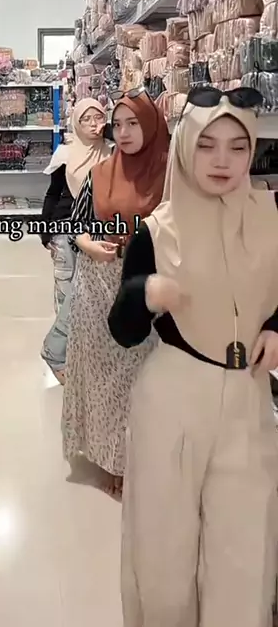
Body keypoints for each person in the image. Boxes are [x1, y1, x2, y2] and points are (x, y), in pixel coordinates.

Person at [108, 87, 278, 627]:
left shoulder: (271, 219)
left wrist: (276, 327)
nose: (222, 160)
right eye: (206, 145)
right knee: (164, 550)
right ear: (184, 147)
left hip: (248, 397)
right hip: (174, 400)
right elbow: (122, 330)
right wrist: (146, 293)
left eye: (237, 147)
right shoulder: (158, 232)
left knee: (243, 546)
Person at [62, 90, 169, 495]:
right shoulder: (102, 172)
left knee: (142, 377)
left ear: (151, 126)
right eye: (118, 124)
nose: (123, 133)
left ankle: (143, 455)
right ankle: (114, 459)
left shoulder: (170, 175)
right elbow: (76, 224)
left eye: (133, 123)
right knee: (106, 378)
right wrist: (88, 245)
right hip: (98, 285)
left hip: (147, 287)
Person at [41, 98, 112, 382]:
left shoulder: (112, 152)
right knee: (66, 290)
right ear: (76, 123)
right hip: (64, 227)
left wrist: (109, 131)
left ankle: (79, 352)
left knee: (88, 294)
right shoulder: (65, 153)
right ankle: (63, 354)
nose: (94, 125)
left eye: (99, 118)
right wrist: (45, 232)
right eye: (87, 119)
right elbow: (52, 193)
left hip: (96, 232)